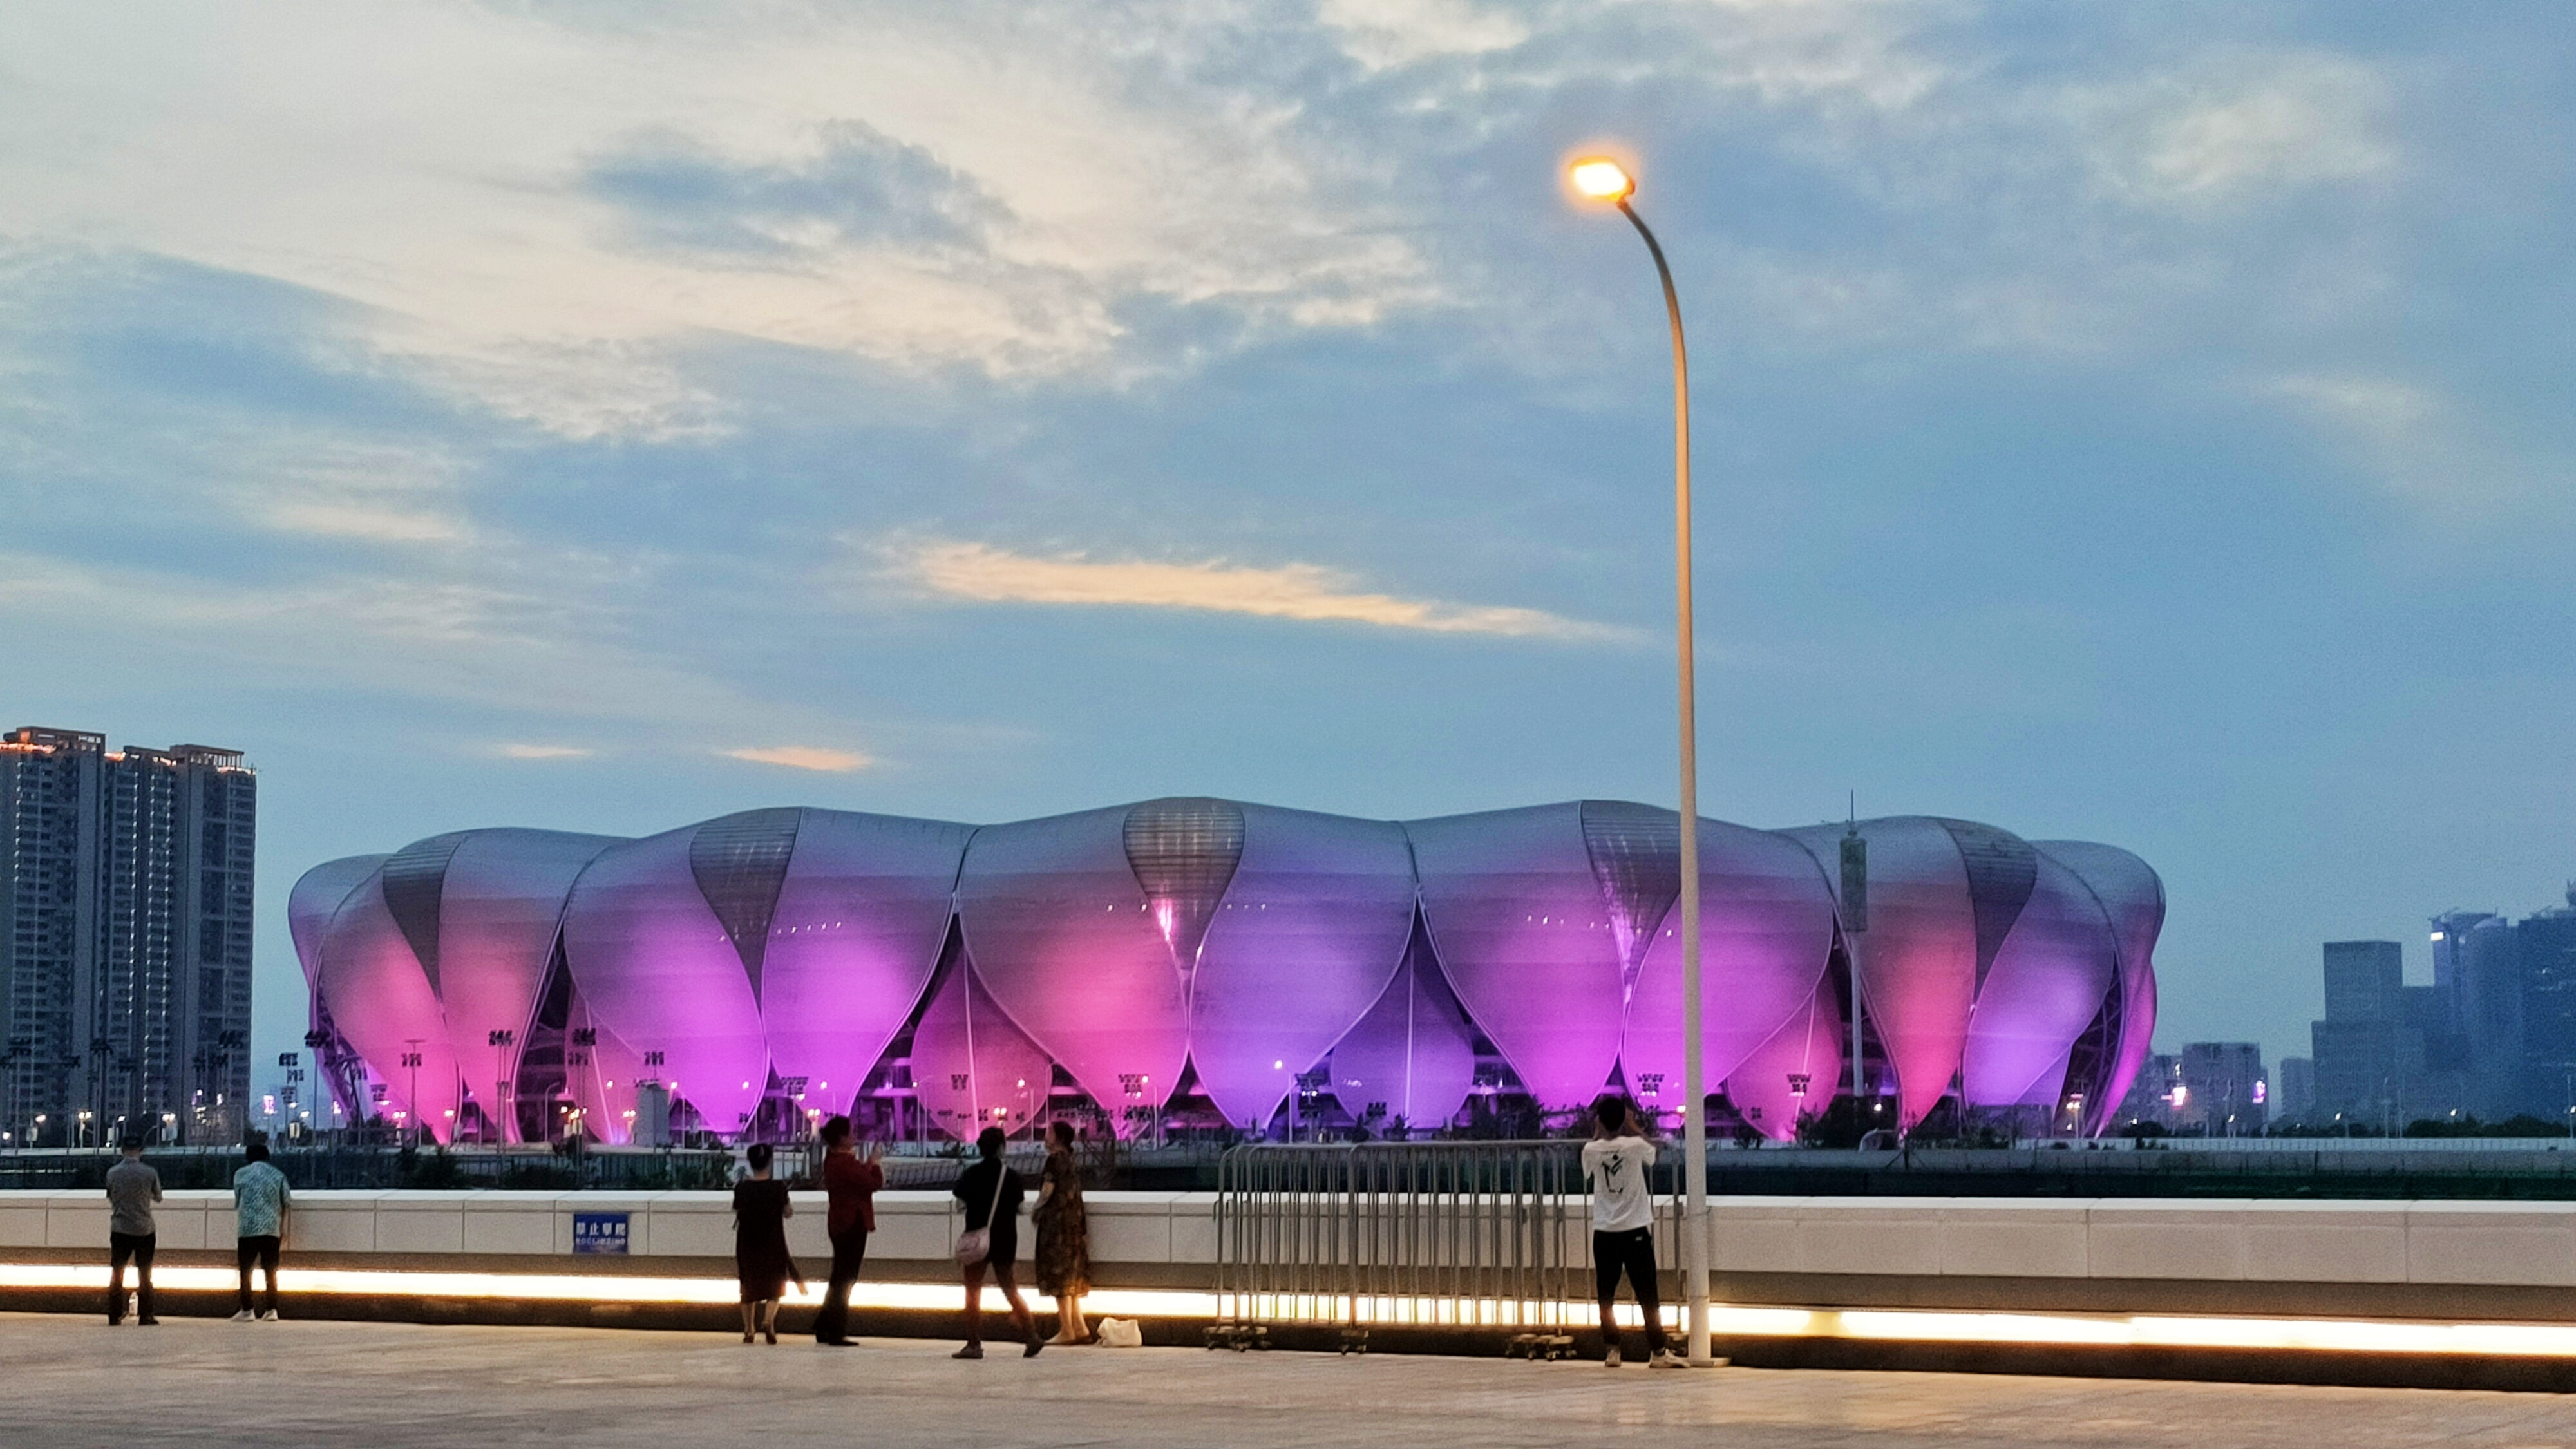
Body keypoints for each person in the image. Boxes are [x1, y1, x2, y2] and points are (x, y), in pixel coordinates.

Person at [1582, 1095, 1679, 1368]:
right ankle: (1658, 1350)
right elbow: (1654, 1154)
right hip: (1635, 1229)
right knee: (1647, 1292)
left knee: (1606, 1293)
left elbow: (1588, 1172)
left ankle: (1612, 1349)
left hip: (1605, 1229)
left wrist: (1599, 1132)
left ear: (1599, 1120)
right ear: (1624, 1119)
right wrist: (1634, 1127)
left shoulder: (1590, 1150)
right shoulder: (1636, 1146)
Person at [952, 1126, 1041, 1359]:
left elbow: (960, 1205)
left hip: (977, 1239)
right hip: (1004, 1239)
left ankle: (974, 1344)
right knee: (1009, 1288)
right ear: (1002, 1148)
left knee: (973, 1291)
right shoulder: (1010, 1176)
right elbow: (1020, 1207)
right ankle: (1031, 1335)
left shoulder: (971, 1174)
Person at [811, 1116, 884, 1347]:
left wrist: (868, 1164)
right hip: (852, 1224)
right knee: (846, 1278)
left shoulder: (834, 1162)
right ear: (842, 1138)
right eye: (851, 1133)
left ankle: (825, 1324)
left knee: (839, 1276)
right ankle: (835, 1329)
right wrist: (874, 1163)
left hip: (841, 1223)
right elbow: (873, 1183)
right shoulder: (844, 1164)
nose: (855, 1136)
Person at [1032, 1121, 1092, 1345]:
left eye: (1049, 1132)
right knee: (1072, 1276)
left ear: (1058, 1138)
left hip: (1056, 1225)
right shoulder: (1071, 1161)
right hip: (1074, 1225)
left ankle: (1066, 1329)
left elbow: (1048, 1189)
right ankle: (1080, 1327)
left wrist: (1037, 1208)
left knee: (1058, 1276)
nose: (1045, 1136)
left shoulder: (1054, 1160)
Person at [732, 1142, 796, 1345]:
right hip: (773, 1242)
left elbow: (737, 1210)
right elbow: (788, 1213)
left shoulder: (742, 1188)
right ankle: (768, 1320)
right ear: (769, 1162)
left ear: (750, 1163)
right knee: (775, 1285)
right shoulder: (778, 1188)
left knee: (748, 1285)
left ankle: (749, 1330)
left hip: (747, 1243)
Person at [231, 1138, 290, 1322]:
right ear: (267, 1157)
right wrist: (282, 1229)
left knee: (246, 1270)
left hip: (247, 1229)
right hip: (271, 1228)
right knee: (271, 1270)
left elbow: (238, 1200)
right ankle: (271, 1309)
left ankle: (247, 1310)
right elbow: (286, 1202)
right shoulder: (278, 1175)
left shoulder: (240, 1174)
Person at [104, 1135, 162, 1326]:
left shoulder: (112, 1173)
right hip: (144, 1228)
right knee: (145, 1273)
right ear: (141, 1150)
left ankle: (114, 1314)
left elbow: (111, 1196)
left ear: (122, 1150)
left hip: (120, 1227)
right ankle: (146, 1315)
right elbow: (158, 1197)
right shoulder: (150, 1172)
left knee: (117, 1271)